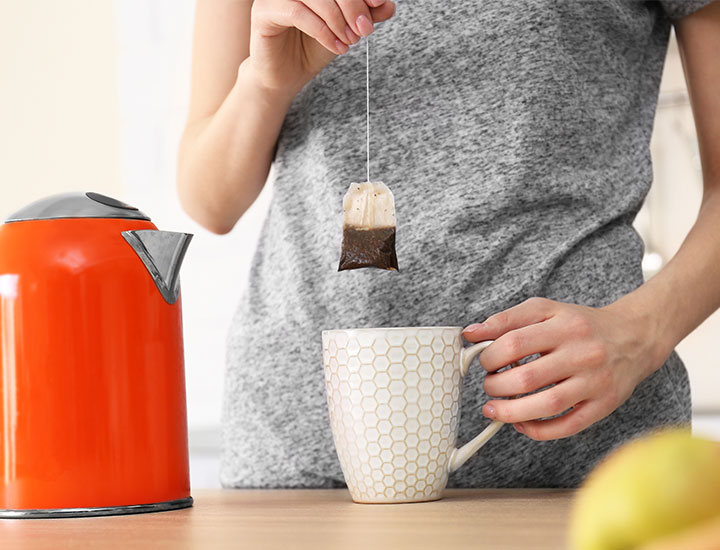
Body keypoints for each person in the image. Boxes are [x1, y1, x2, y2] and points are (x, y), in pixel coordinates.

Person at [177, 0, 720, 488]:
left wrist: (644, 331)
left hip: (579, 451)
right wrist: (266, 82)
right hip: (304, 448)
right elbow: (211, 200)